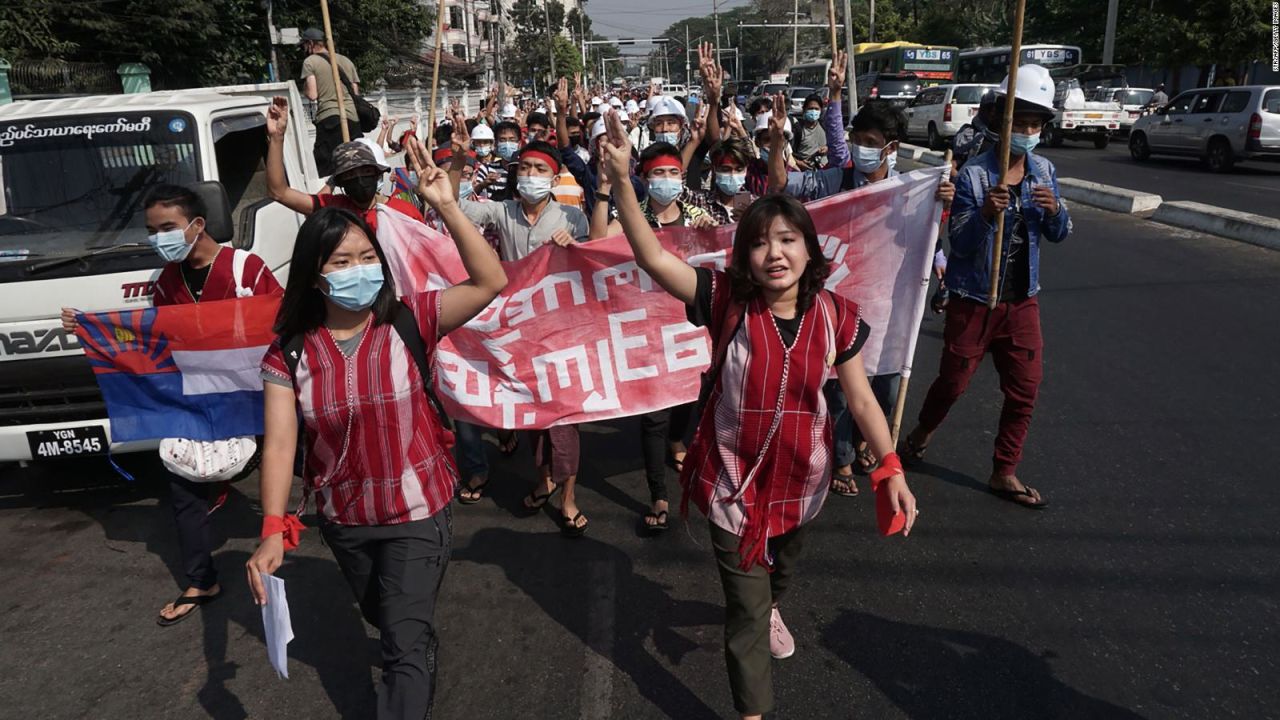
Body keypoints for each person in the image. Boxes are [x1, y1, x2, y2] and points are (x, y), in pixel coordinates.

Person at [598, 110, 917, 720]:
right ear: (745, 254)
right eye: (761, 241)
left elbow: (860, 399)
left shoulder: (834, 316)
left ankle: (772, 600)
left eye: (788, 239)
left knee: (780, 576)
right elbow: (652, 259)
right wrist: (619, 185)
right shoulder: (723, 300)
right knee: (744, 615)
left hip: (803, 482)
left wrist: (891, 466)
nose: (775, 253)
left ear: (808, 248)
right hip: (729, 485)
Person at [247, 139, 507, 719]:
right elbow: (282, 443)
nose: (357, 271)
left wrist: (449, 205)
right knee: (385, 618)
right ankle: (410, 644)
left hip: (419, 511)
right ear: (314, 276)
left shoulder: (412, 318)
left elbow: (490, 282)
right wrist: (272, 529)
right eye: (340, 262)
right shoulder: (288, 355)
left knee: (401, 646)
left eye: (367, 258)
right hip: (344, 520)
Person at [62, 184, 282, 626]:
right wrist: (93, 329)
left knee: (300, 457)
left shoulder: (246, 269)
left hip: (257, 395)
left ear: (196, 225)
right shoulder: (165, 284)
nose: (158, 238)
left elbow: (280, 323)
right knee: (183, 487)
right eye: (151, 230)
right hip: (199, 400)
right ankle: (201, 579)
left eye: (167, 228)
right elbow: (155, 342)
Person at [900, 64, 1072, 510]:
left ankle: (1004, 470)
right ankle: (920, 433)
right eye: (1022, 122)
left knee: (1025, 389)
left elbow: (1060, 234)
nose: (1029, 131)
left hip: (1021, 303)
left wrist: (1054, 212)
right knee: (952, 384)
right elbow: (959, 242)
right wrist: (983, 215)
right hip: (974, 301)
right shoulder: (975, 176)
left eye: (1036, 124)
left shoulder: (1045, 172)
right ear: (999, 123)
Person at [448, 127, 593, 536]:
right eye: (525, 167)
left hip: (560, 331)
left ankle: (568, 497)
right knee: (532, 414)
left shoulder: (572, 217)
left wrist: (575, 245)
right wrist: (460, 161)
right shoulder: (502, 210)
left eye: (539, 168)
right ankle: (544, 477)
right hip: (517, 332)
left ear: (553, 176)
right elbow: (455, 206)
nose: (530, 174)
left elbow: (593, 262)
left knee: (564, 418)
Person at [265, 96, 422, 230]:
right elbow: (279, 192)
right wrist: (277, 137)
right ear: (340, 182)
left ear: (378, 174)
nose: (360, 180)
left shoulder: (405, 213)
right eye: (350, 175)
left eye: (366, 172)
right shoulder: (335, 210)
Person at [298, 27, 362, 176]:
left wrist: (305, 89)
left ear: (310, 44)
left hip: (330, 119)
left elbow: (313, 94)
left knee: (327, 167)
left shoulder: (310, 62)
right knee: (356, 163)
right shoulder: (346, 60)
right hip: (353, 119)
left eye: (304, 46)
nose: (304, 49)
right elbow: (355, 93)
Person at [791, 93, 828, 170]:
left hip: (824, 170)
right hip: (803, 171)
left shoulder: (825, 126)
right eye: (810, 109)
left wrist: (827, 148)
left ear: (821, 110)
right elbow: (787, 153)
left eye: (816, 109)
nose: (813, 111)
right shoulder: (797, 129)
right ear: (804, 109)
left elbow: (836, 145)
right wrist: (798, 162)